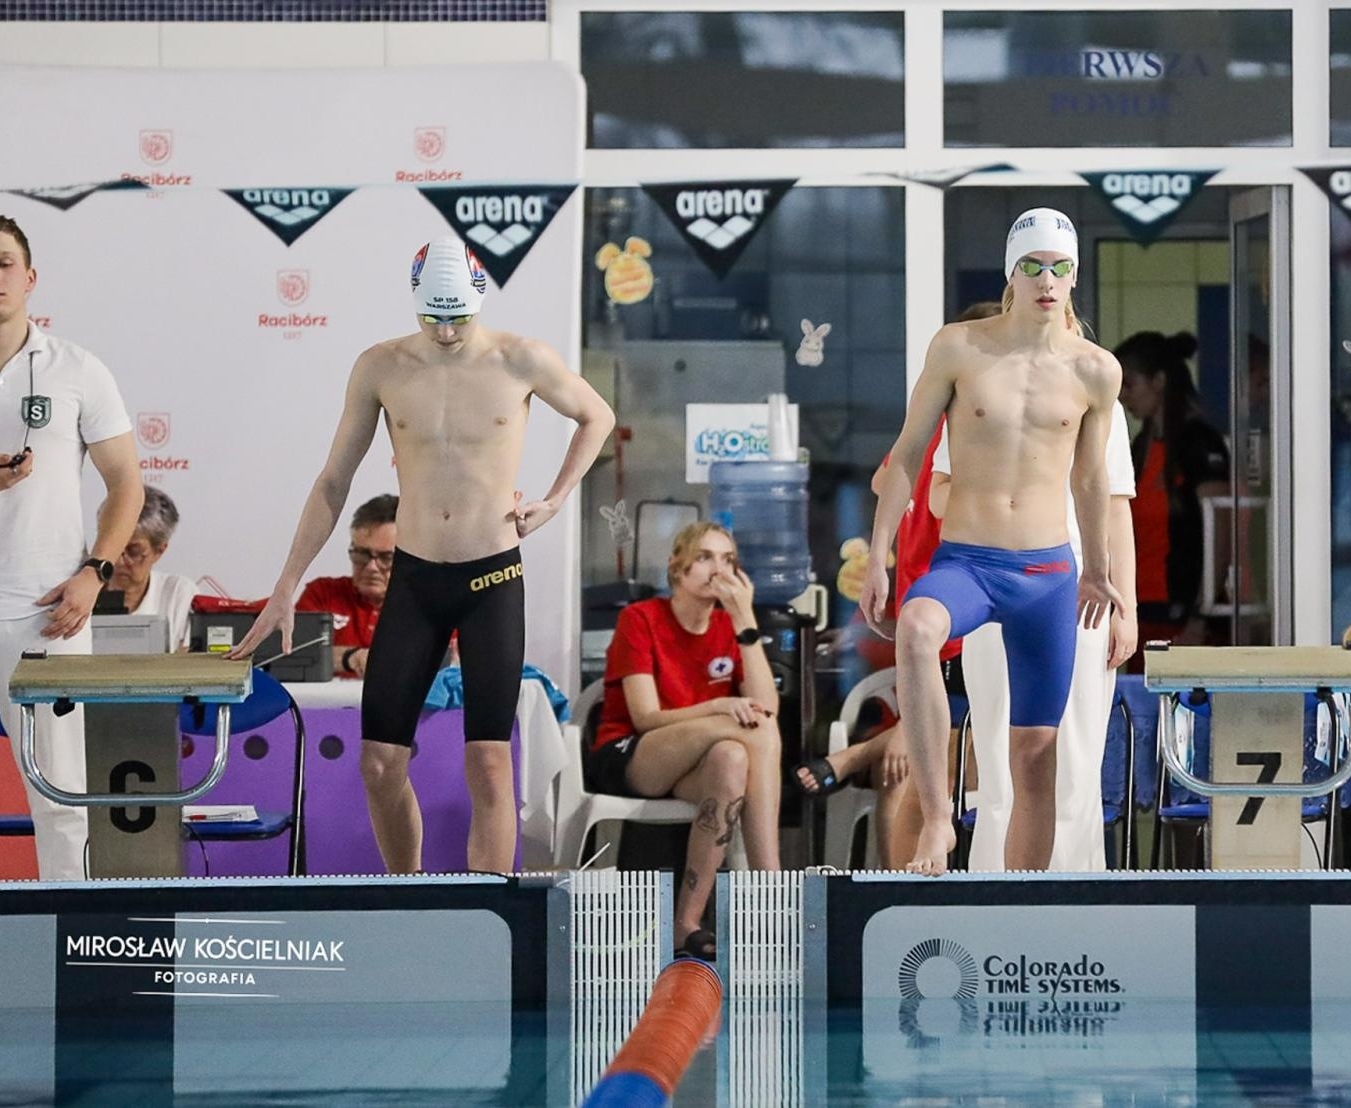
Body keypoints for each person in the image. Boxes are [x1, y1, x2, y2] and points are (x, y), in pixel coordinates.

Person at [232, 237, 615, 875]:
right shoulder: (381, 367)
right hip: (415, 579)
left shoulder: (521, 359)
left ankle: (487, 908)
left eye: (456, 317)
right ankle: (404, 895)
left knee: (490, 762)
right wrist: (285, 587)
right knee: (379, 763)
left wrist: (554, 499)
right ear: (413, 304)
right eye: (431, 317)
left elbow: (596, 416)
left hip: (492, 575)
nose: (443, 332)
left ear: (478, 301)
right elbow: (334, 482)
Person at [861, 208, 1122, 876]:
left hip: (1048, 575)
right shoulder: (959, 348)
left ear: (1074, 278)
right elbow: (908, 454)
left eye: (1060, 268)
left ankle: (1019, 910)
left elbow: (1094, 481)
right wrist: (879, 555)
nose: (1046, 280)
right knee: (917, 629)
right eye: (1032, 266)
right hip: (970, 563)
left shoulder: (1096, 370)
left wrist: (1098, 570)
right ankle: (939, 823)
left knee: (1035, 758)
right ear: (1011, 273)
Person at [0, 212, 143, 882]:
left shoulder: (77, 369)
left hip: (51, 618)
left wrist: (95, 571)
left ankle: (73, 954)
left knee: (63, 801)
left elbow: (126, 485)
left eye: (5, 263)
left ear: (31, 278)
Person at [793, 301, 1002, 869]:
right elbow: (894, 483)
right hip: (936, 643)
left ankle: (866, 754)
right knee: (905, 762)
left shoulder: (965, 443)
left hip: (966, 647)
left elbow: (895, 483)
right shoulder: (937, 437)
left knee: (902, 759)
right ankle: (897, 895)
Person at [935, 394, 1139, 872]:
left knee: (1077, 760)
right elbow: (937, 494)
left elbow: (1115, 508)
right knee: (999, 760)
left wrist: (1124, 605)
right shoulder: (976, 391)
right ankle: (996, 901)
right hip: (994, 581)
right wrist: (994, 482)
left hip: (1076, 592)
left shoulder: (1096, 392)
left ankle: (1078, 908)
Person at [587, 522, 782, 958]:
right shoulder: (640, 619)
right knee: (751, 731)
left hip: (697, 763)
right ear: (677, 568)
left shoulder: (727, 628)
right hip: (634, 753)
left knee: (733, 758)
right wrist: (716, 708)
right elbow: (646, 717)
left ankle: (687, 922)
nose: (720, 569)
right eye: (706, 557)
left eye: (729, 560)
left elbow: (766, 706)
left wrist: (745, 619)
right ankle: (771, 886)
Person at [1116, 331, 1229, 652]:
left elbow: (1219, 532)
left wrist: (1200, 616)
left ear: (1159, 381)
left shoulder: (1197, 442)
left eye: (1129, 384)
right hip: (1141, 608)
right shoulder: (1142, 444)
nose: (1122, 396)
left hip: (1183, 613)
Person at [297, 493, 398, 677]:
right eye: (362, 554)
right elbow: (297, 654)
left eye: (386, 557)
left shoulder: (430, 604)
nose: (371, 567)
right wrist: (351, 658)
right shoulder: (322, 594)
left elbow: (452, 662)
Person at [100, 484, 197, 651]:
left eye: (134, 551)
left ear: (159, 550)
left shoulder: (178, 594)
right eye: (113, 546)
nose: (119, 560)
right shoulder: (76, 590)